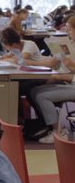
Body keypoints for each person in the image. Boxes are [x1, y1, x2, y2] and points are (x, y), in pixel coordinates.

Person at [28, 16, 75, 144]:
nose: (68, 32)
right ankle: (47, 125)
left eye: (70, 29)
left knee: (42, 96)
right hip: (69, 82)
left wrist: (60, 75)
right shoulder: (71, 45)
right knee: (34, 91)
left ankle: (59, 132)